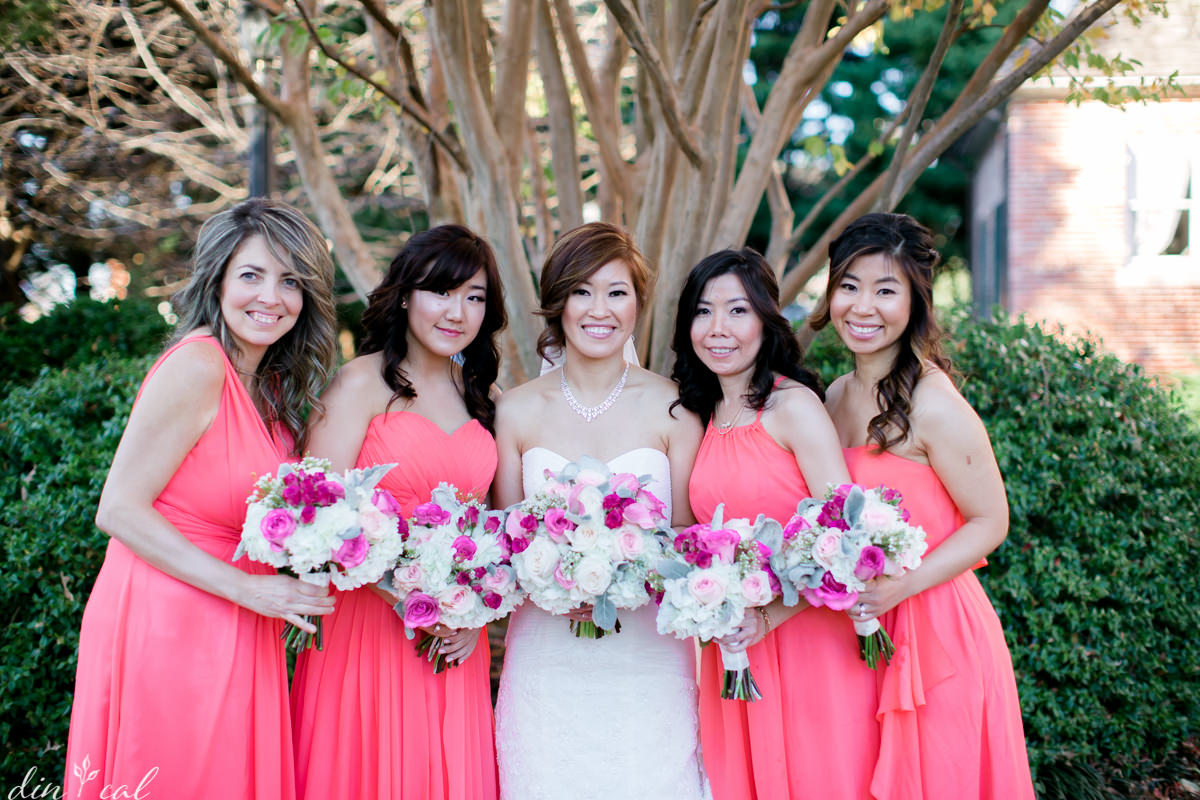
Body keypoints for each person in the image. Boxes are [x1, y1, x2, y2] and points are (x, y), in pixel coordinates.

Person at [64, 198, 340, 799]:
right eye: (252, 275)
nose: (270, 297)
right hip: (170, 617)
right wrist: (247, 588)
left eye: (290, 281)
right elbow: (118, 508)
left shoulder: (270, 385)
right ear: (217, 281)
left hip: (242, 614)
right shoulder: (198, 366)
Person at [813, 212, 1035, 799]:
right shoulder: (834, 396)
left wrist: (902, 586)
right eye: (849, 286)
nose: (863, 307)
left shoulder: (933, 404)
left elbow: (991, 521)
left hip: (936, 632)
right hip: (859, 630)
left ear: (915, 302)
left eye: (886, 290)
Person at [289, 225, 507, 800]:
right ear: (406, 295)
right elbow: (316, 517)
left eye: (474, 297)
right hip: (368, 624)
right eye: (441, 291)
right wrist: (406, 596)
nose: (457, 311)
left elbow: (496, 530)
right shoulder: (358, 384)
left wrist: (476, 614)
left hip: (454, 637)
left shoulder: (487, 399)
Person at [492, 222, 706, 799]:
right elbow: (505, 541)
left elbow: (688, 536)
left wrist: (628, 571)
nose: (599, 310)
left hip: (648, 659)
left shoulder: (675, 408)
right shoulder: (515, 411)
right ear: (558, 302)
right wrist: (553, 572)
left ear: (638, 303)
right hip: (546, 658)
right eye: (581, 291)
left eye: (617, 292)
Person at [672, 248, 877, 800]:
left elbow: (847, 535)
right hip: (734, 643)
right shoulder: (701, 415)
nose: (718, 328)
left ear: (766, 320)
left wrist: (769, 615)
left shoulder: (793, 407)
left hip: (807, 638)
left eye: (737, 311)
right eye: (703, 311)